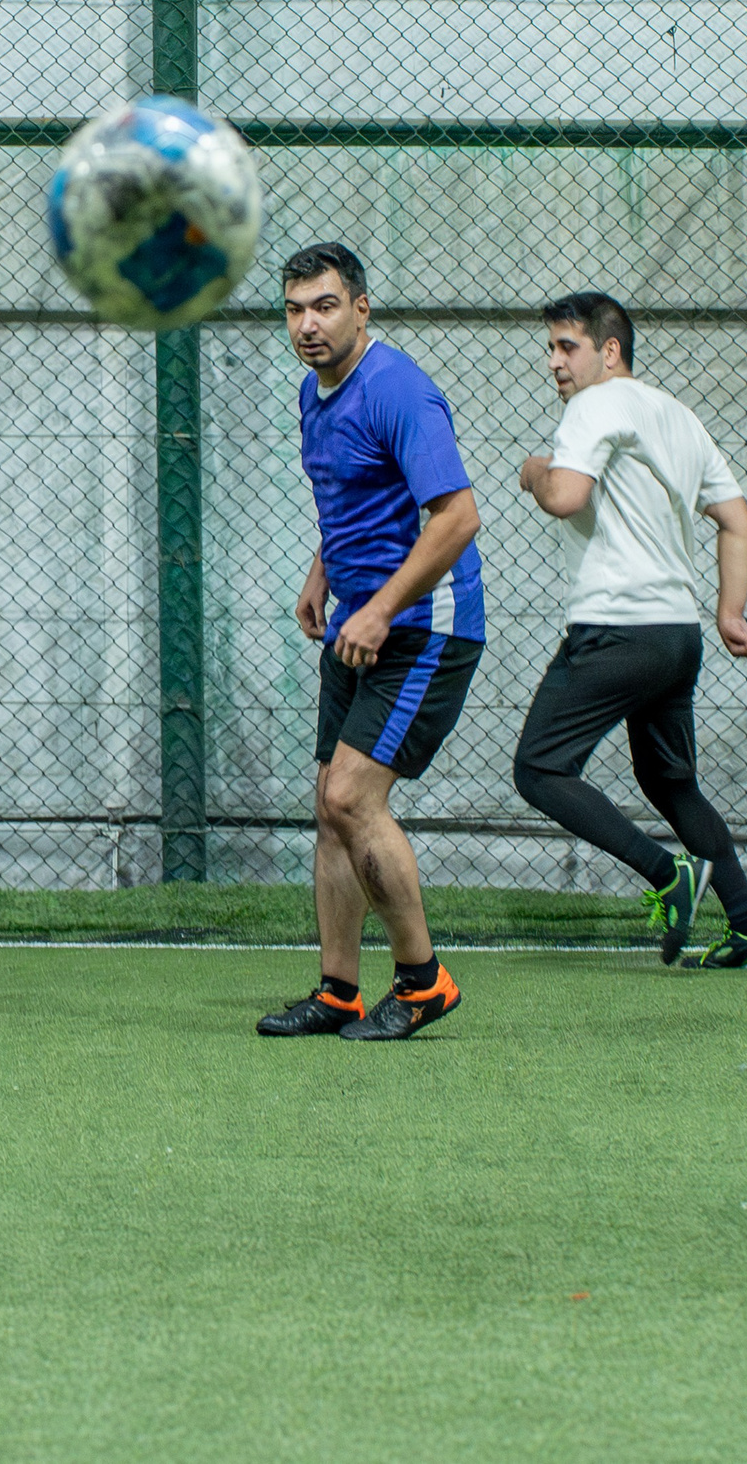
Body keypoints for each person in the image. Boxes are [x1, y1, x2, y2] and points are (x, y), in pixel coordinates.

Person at [512, 291, 747, 968]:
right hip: (676, 638)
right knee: (670, 783)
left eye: (567, 347)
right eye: (550, 349)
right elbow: (736, 518)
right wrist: (729, 613)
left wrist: (534, 472)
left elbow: (565, 496)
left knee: (539, 767)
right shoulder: (679, 417)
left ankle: (668, 874)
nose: (554, 362)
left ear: (610, 351)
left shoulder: (594, 404)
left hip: (616, 628)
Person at [256, 244, 485, 1040]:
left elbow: (457, 517)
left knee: (353, 797)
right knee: (330, 806)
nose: (307, 324)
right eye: (294, 309)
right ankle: (339, 991)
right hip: (359, 620)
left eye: (324, 306)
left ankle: (423, 982)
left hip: (423, 625)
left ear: (361, 308)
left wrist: (383, 608)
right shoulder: (314, 392)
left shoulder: (397, 389)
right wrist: (321, 573)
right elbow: (354, 498)